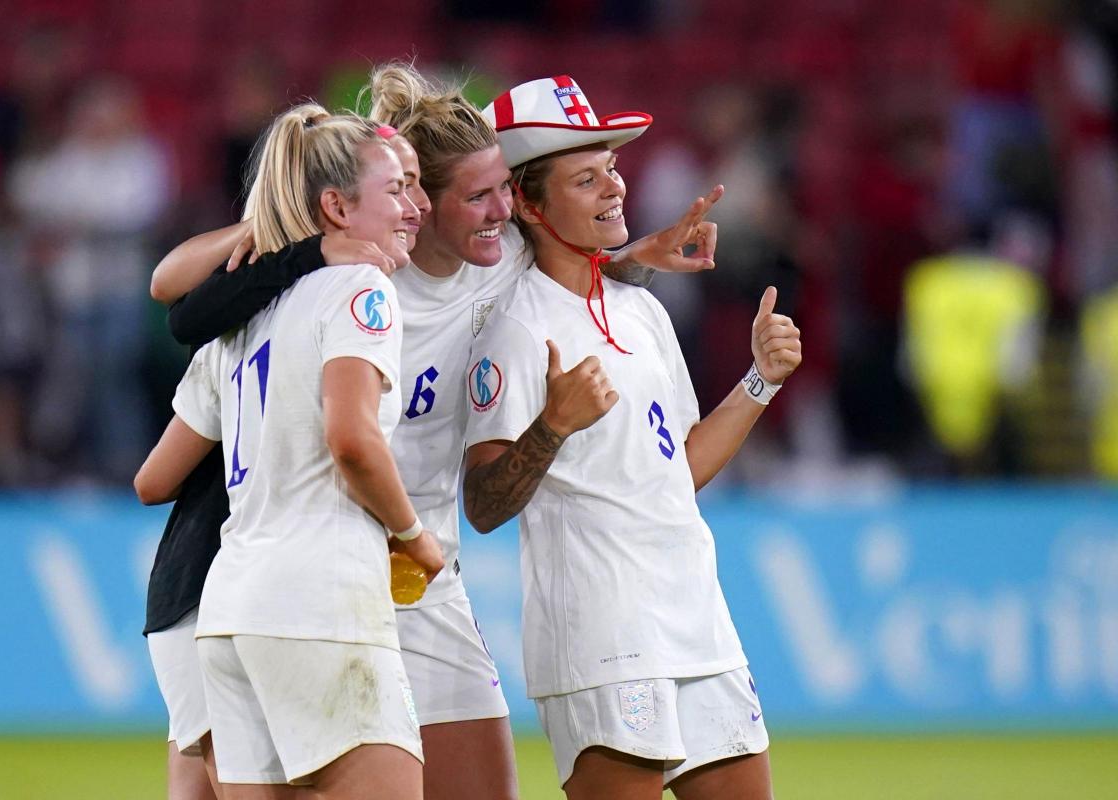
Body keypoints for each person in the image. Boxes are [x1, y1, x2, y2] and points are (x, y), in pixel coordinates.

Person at [152, 63, 720, 800]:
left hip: (423, 581)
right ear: (423, 199)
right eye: (477, 197)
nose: (500, 212)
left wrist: (632, 256)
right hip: (319, 574)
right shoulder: (350, 279)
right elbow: (174, 291)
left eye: (505, 195)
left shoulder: (501, 261)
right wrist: (286, 236)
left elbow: (563, 252)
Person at [462, 76, 803, 800]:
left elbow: (677, 469)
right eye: (585, 178)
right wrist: (553, 425)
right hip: (602, 638)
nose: (613, 187)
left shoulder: (640, 309)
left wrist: (759, 381)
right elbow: (484, 504)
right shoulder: (515, 329)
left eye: (611, 168)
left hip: (697, 618)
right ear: (526, 202)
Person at [134, 103, 443, 800]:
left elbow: (153, 475)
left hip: (228, 607)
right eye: (396, 190)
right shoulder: (360, 289)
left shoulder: (246, 313)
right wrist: (414, 536)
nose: (414, 207)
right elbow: (352, 439)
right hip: (320, 599)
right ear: (334, 206)